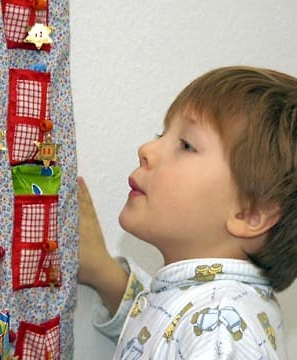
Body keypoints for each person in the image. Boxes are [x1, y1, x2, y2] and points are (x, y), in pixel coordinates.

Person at [77, 66, 297, 359]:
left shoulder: (218, 327)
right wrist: (104, 273)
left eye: (186, 145)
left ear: (250, 213)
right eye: (161, 133)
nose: (146, 148)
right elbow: (161, 336)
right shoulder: (213, 311)